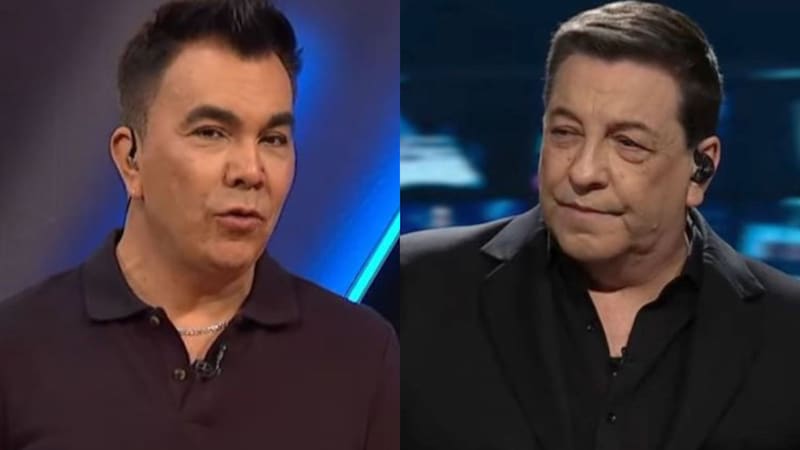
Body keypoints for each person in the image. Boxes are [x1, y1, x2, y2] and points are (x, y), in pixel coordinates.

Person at [401, 2, 800, 449]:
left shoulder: (788, 331)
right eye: (565, 133)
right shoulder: (414, 286)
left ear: (699, 169)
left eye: (627, 143)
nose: (583, 171)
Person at [0, 1, 398, 449]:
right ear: (131, 159)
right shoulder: (15, 350)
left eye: (273, 139)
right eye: (211, 132)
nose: (250, 171)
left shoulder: (362, 354)